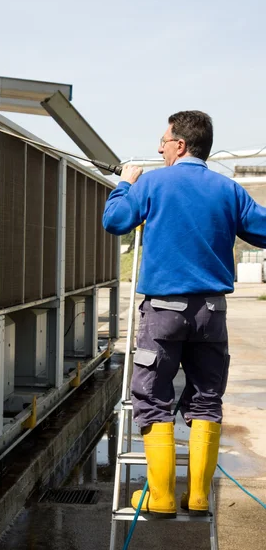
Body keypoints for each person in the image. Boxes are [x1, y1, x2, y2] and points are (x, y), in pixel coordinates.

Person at [103, 111, 266, 518]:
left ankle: (159, 498)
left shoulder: (153, 183)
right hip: (212, 313)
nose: (159, 148)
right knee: (207, 400)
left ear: (180, 144)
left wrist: (125, 183)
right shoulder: (228, 190)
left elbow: (116, 221)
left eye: (163, 141)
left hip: (164, 313)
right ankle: (197, 497)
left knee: (154, 398)